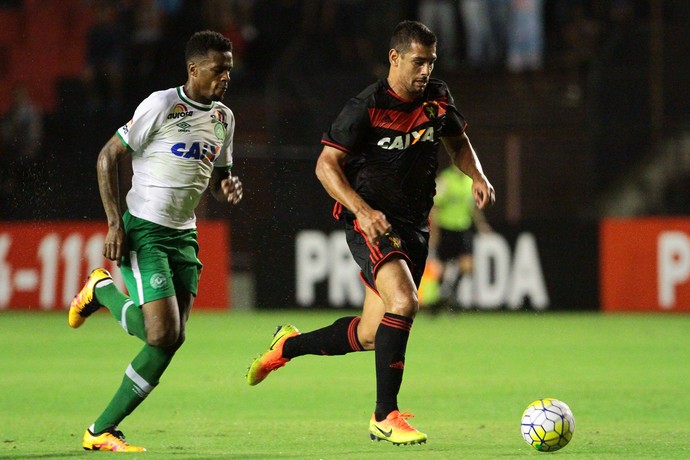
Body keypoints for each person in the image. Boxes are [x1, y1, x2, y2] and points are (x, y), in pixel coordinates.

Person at [246, 20, 495, 446]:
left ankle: (287, 347)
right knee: (405, 301)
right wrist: (362, 210)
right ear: (395, 57)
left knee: (369, 333)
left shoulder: (437, 97)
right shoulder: (366, 106)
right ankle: (385, 415)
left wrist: (478, 174)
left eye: (431, 63)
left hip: (415, 223)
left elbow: (456, 141)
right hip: (373, 222)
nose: (425, 72)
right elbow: (325, 166)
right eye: (418, 62)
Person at [68, 30, 243, 452]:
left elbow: (217, 178)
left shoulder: (224, 119)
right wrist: (114, 224)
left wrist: (228, 188)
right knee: (162, 333)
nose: (225, 78)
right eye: (219, 70)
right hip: (144, 230)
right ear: (194, 69)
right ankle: (100, 428)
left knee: (171, 337)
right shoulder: (163, 105)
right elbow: (108, 156)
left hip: (185, 235)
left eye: (230, 71)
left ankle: (100, 291)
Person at [427, 164, 492, 312]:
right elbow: (435, 207)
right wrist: (434, 231)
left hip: (463, 228)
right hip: (446, 228)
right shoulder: (445, 180)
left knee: (467, 266)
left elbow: (473, 208)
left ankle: (449, 295)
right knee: (441, 268)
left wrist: (482, 225)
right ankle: (443, 298)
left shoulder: (471, 181)